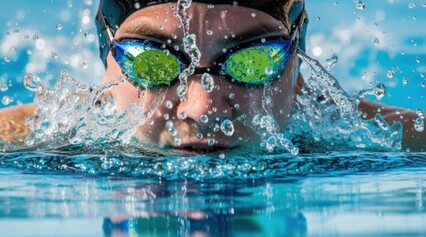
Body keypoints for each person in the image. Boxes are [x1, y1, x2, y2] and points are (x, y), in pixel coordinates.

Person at [0, 0, 425, 154]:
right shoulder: (55, 130)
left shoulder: (354, 130)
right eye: (154, 64)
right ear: (106, 57)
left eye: (252, 62)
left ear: (296, 69)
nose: (202, 109)